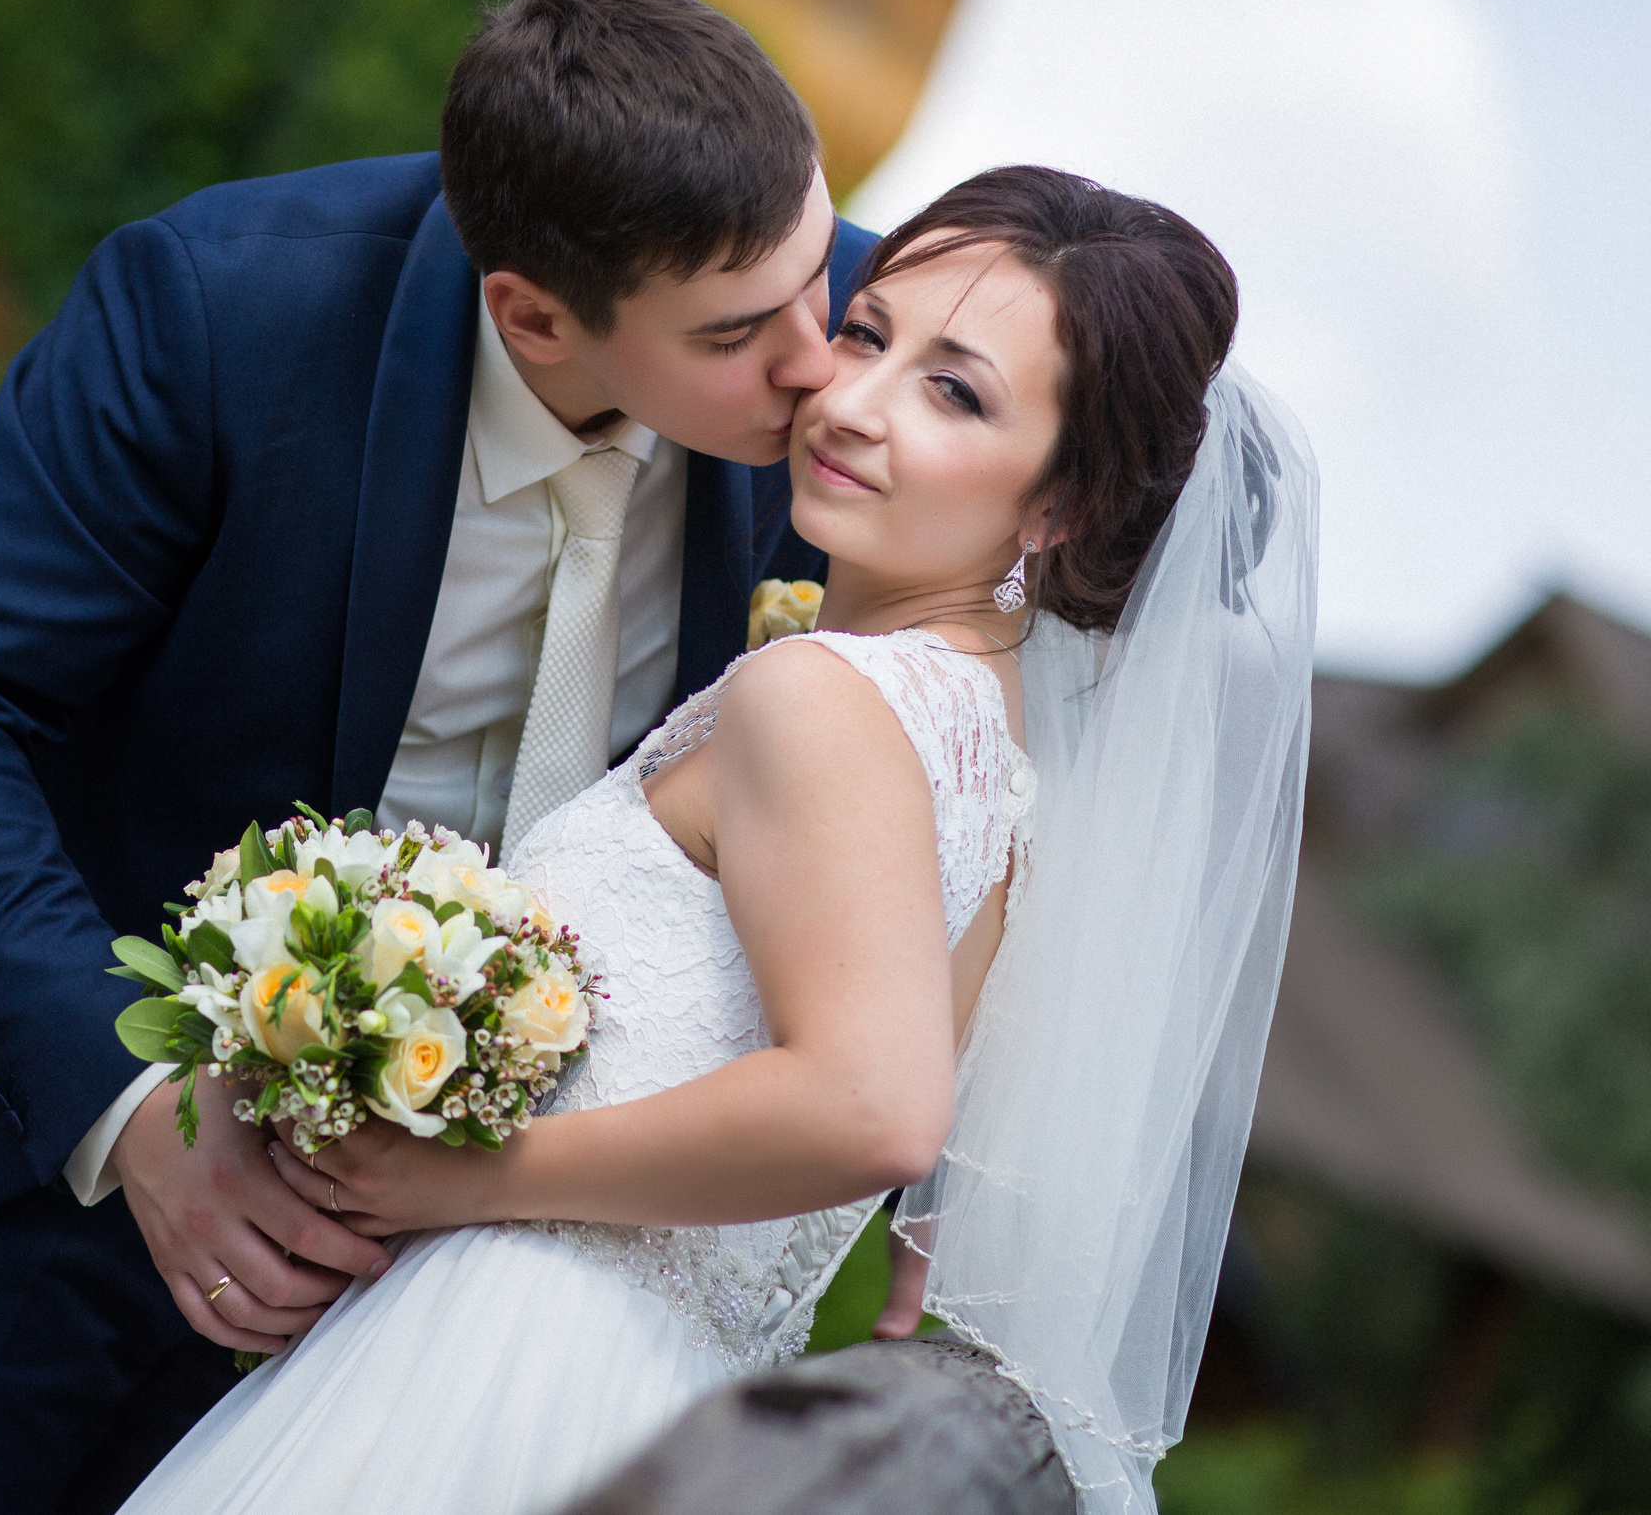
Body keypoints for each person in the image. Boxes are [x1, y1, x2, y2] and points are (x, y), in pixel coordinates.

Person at [0, 0, 883, 1513]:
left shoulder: (859, 348)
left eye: (823, 270)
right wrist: (135, 1116)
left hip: (439, 1305)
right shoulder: (220, 311)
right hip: (27, 1193)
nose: (823, 365)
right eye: (745, 331)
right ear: (530, 311)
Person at [112, 166, 1317, 1515]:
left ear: (1062, 507)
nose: (852, 403)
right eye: (868, 335)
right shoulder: (1002, 752)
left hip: (512, 1366)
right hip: (680, 1408)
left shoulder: (824, 697)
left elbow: (874, 1106)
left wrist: (457, 1175)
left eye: (954, 390)